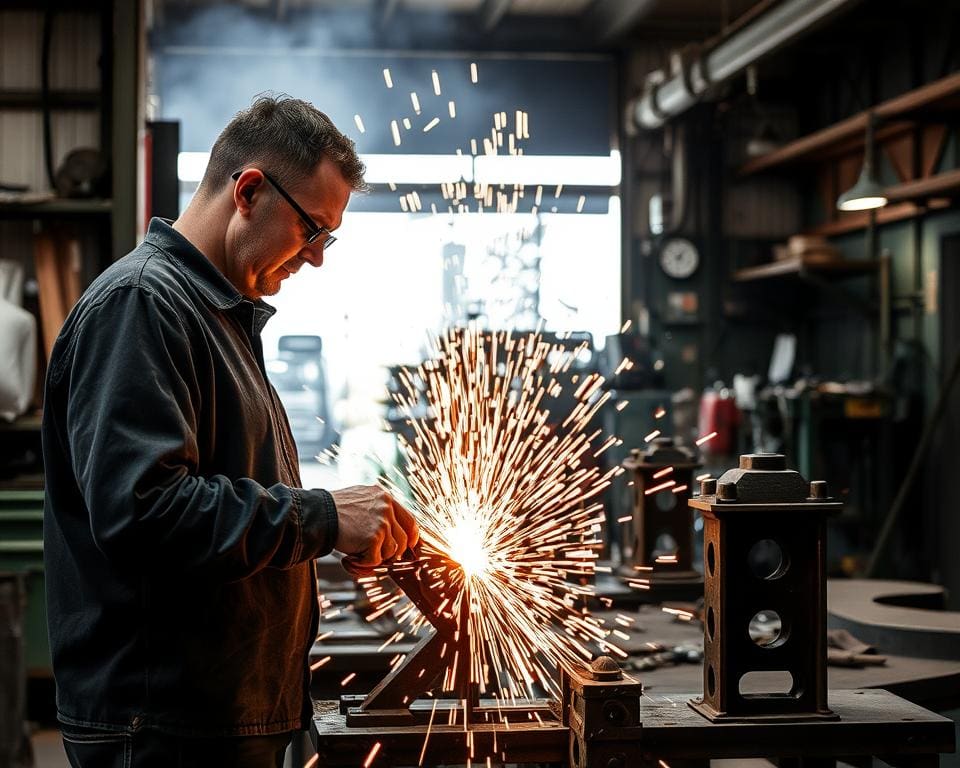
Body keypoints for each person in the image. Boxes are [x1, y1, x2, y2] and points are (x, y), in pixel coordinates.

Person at [41, 94, 419, 768]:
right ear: (249, 190)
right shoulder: (142, 305)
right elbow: (145, 512)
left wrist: (335, 526)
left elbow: (222, 487)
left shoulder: (216, 314)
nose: (317, 257)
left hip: (214, 718)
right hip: (162, 726)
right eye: (312, 230)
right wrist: (324, 518)